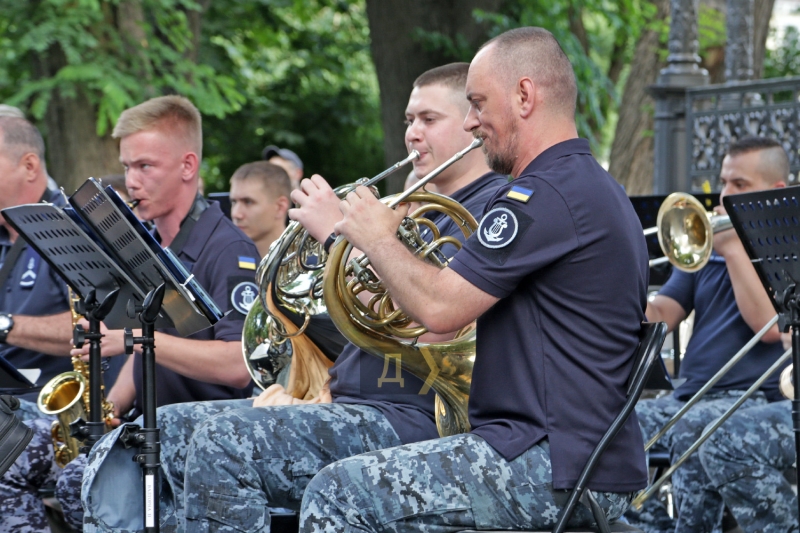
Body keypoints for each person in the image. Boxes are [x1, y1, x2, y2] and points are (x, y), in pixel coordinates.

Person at [78, 61, 505, 533]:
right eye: (408, 121)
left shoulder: (490, 209)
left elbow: (428, 318)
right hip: (350, 401)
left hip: (414, 414)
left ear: (471, 125)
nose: (412, 135)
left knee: (222, 443)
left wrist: (334, 242)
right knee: (168, 428)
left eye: (428, 119)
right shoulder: (407, 208)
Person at [299, 26, 648, 532]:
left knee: (338, 494)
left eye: (479, 103)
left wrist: (375, 238)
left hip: (553, 460)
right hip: (565, 454)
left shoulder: (545, 196)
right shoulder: (585, 184)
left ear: (524, 95)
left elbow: (440, 309)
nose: (471, 122)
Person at [0, 95, 259, 533]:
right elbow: (144, 354)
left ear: (187, 166)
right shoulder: (150, 246)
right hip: (143, 425)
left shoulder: (228, 249)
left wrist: (131, 338)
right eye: (126, 167)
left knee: (79, 484)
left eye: (145, 167)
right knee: (19, 458)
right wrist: (101, 410)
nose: (131, 181)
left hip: (202, 438)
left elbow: (238, 365)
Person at [627, 136, 789, 533]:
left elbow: (767, 328)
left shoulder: (785, 250)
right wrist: (623, 281)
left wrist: (734, 250)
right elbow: (663, 313)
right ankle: (647, 527)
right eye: (724, 182)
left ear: (776, 191)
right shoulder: (708, 250)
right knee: (611, 423)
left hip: (746, 398)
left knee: (693, 426)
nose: (724, 195)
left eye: (740, 185)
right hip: (689, 395)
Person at [0, 116, 73, 414]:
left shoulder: (69, 229)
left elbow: (100, 327)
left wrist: (4, 325)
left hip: (47, 411)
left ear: (29, 166)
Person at [229, 161, 292, 257]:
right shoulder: (222, 262)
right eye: (234, 202)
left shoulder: (309, 267)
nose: (236, 214)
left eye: (248, 202)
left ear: (280, 207)